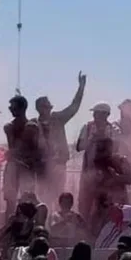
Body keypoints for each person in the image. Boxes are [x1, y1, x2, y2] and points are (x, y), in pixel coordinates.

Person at [35, 72, 87, 204]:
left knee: (58, 197)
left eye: (49, 106)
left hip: (58, 165)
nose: (48, 109)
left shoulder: (57, 119)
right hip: (41, 167)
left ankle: (56, 221)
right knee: (42, 198)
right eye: (46, 106)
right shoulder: (34, 125)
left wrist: (81, 88)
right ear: (39, 108)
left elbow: (74, 107)